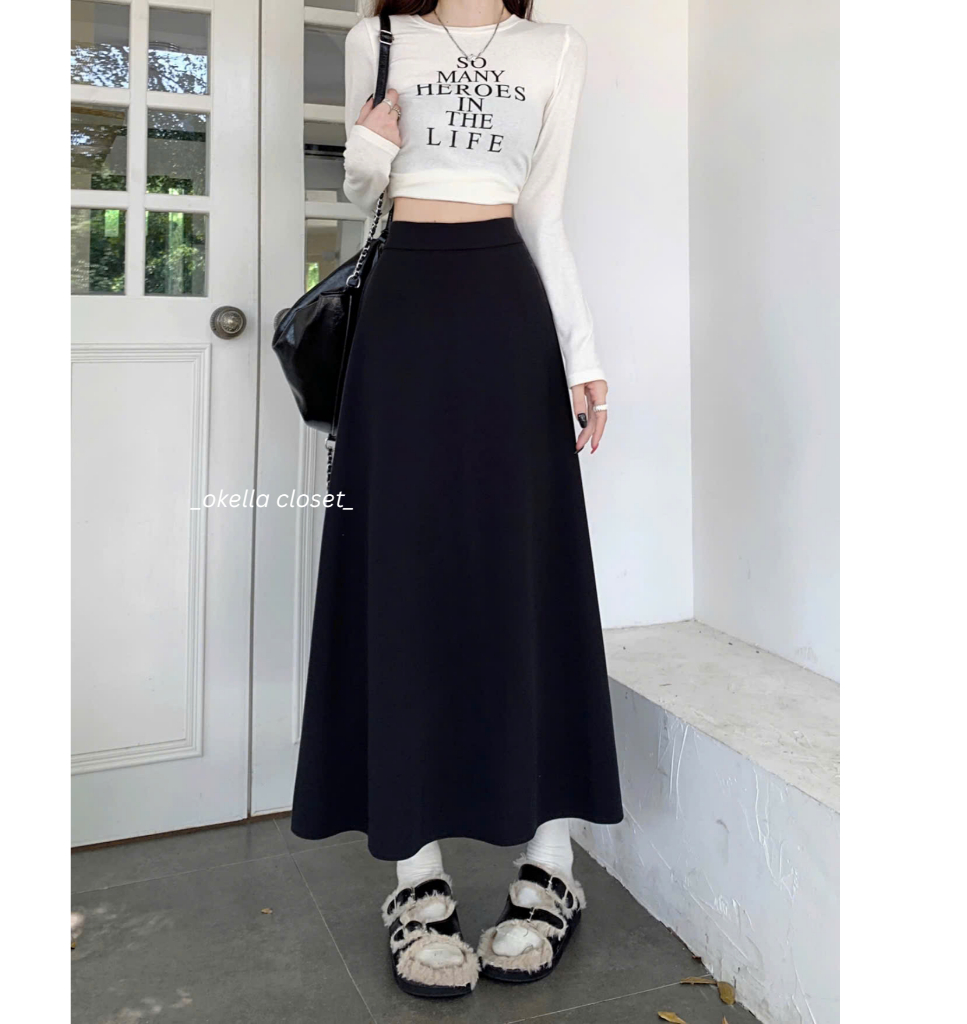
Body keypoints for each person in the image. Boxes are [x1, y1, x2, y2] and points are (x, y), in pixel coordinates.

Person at [290, 0, 624, 998]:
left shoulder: (555, 50)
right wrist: (364, 151)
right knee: (400, 576)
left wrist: (581, 355)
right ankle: (415, 875)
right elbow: (364, 194)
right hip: (402, 318)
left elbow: (544, 212)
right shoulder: (379, 39)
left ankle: (550, 862)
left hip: (505, 316)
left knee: (526, 571)